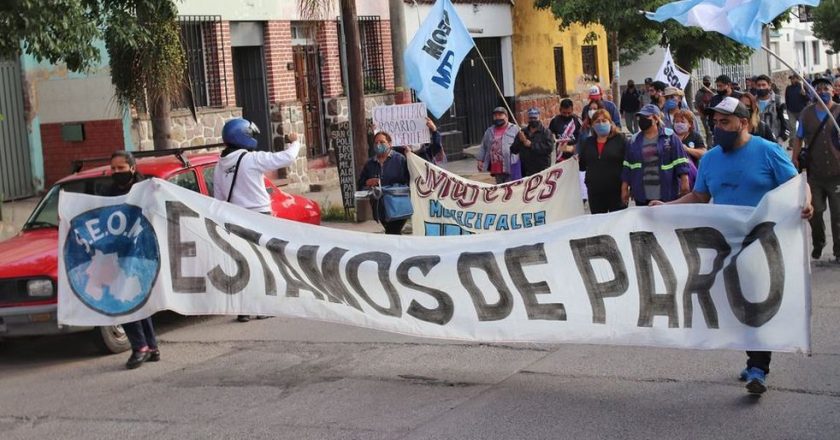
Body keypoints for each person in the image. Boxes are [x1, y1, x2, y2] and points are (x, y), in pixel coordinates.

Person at [652, 96, 813, 394]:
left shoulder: (768, 152)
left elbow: (797, 187)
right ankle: (754, 355)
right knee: (733, 303)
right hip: (726, 246)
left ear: (743, 121)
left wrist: (806, 203)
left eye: (725, 122)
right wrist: (667, 207)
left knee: (755, 303)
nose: (719, 128)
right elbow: (699, 197)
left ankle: (758, 367)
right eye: (715, 123)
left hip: (763, 243)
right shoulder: (711, 158)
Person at [213, 118, 300, 323]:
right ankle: (263, 307)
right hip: (259, 216)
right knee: (264, 262)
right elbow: (287, 158)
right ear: (243, 136)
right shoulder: (252, 159)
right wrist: (295, 141)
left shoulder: (220, 165)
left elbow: (218, 197)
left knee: (243, 262)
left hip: (234, 218)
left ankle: (244, 308)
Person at [103, 151, 160, 370]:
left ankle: (141, 347)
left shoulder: (146, 189)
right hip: (118, 253)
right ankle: (150, 346)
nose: (117, 173)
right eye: (114, 169)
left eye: (121, 168)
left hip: (142, 253)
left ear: (132, 168)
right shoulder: (107, 193)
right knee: (131, 298)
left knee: (127, 298)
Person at [792, 77, 840, 263]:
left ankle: (838, 250)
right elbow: (798, 138)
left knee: (838, 214)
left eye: (825, 88)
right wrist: (794, 158)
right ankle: (818, 242)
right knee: (816, 211)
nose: (822, 91)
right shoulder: (806, 113)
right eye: (818, 89)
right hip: (814, 173)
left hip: (837, 173)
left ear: (833, 91)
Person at [621, 104, 691, 206]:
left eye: (646, 117)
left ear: (656, 119)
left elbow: (680, 161)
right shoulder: (634, 140)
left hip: (666, 192)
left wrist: (685, 182)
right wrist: (624, 188)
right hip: (642, 193)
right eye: (640, 118)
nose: (642, 120)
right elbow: (627, 165)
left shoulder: (670, 137)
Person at [357, 131, 411, 235]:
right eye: (376, 142)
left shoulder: (400, 160)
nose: (378, 145)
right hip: (380, 208)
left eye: (382, 142)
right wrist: (368, 182)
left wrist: (410, 156)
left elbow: (409, 180)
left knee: (393, 232)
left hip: (398, 205)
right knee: (392, 234)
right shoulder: (370, 164)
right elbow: (360, 185)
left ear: (390, 144)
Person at [579, 109, 628, 214]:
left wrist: (625, 187)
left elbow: (628, 165)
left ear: (610, 122)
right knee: (599, 226)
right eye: (597, 121)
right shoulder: (588, 143)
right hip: (595, 192)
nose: (601, 123)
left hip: (617, 191)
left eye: (604, 120)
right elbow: (582, 165)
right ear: (592, 125)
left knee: (618, 225)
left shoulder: (621, 139)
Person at [477, 107, 520, 184]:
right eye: (495, 115)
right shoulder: (489, 131)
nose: (497, 117)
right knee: (500, 188)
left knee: (510, 187)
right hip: (496, 167)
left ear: (506, 116)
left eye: (500, 115)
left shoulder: (515, 129)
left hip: (511, 165)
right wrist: (480, 160)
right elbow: (483, 146)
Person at [511, 108, 554, 177]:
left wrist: (531, 145)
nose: (533, 120)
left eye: (535, 118)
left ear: (539, 118)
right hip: (526, 171)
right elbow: (514, 150)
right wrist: (519, 140)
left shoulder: (546, 132)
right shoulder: (522, 132)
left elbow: (549, 148)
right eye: (531, 118)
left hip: (542, 170)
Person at [549, 98, 582, 163]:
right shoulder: (554, 121)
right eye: (564, 113)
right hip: (560, 156)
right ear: (560, 110)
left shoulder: (578, 121)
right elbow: (550, 134)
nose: (567, 115)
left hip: (575, 156)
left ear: (572, 110)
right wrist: (552, 138)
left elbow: (582, 137)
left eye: (569, 113)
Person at [754, 74, 785, 141]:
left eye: (763, 85)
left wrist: (781, 139)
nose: (761, 88)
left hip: (773, 140)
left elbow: (785, 123)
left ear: (769, 86)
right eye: (759, 85)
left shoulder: (777, 101)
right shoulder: (752, 102)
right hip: (757, 140)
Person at [786, 75, 810, 140]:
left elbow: (809, 98)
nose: (792, 80)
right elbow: (787, 99)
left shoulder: (802, 87)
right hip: (791, 111)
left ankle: (806, 141)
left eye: (793, 79)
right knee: (792, 127)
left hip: (801, 111)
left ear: (797, 79)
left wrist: (804, 94)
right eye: (791, 79)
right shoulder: (788, 88)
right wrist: (787, 108)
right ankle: (792, 143)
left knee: (803, 127)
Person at [694, 75, 714, 141]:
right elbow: (697, 104)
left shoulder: (714, 91)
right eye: (705, 81)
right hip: (704, 114)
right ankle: (709, 146)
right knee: (708, 132)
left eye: (708, 81)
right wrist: (701, 114)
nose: (707, 83)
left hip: (714, 114)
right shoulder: (699, 92)